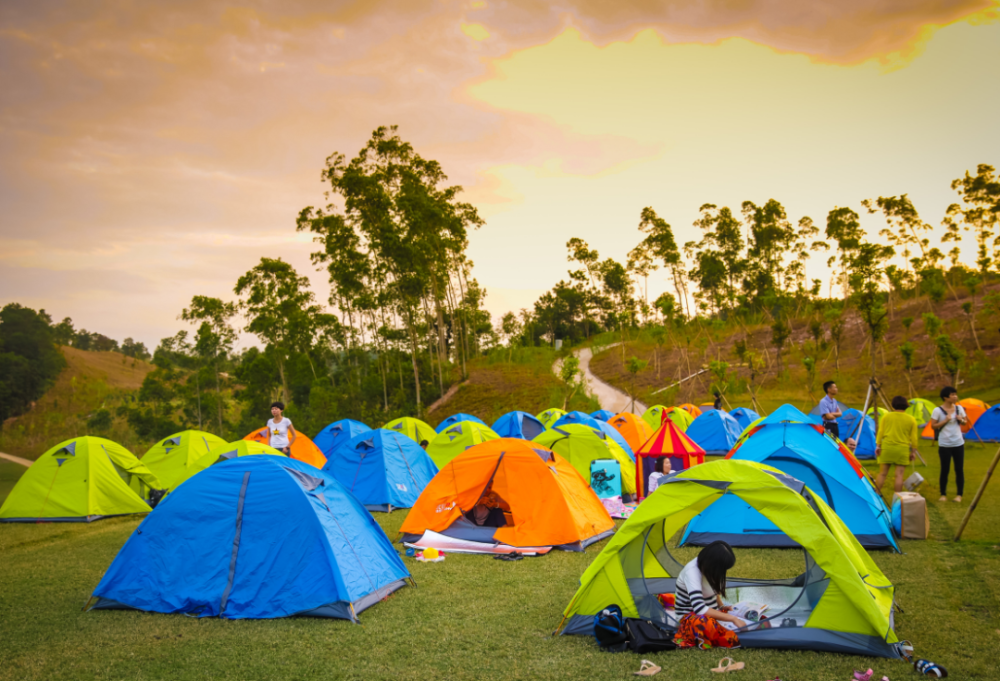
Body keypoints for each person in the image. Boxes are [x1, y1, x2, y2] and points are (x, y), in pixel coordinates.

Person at [673, 541, 745, 649]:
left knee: (741, 614)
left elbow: (714, 592)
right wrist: (733, 619)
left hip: (711, 613)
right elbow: (700, 609)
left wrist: (721, 606)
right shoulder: (692, 572)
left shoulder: (710, 569)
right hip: (689, 618)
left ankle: (725, 630)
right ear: (712, 564)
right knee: (705, 624)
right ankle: (727, 635)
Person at [874, 396, 919, 496]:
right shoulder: (911, 419)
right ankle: (898, 499)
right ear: (906, 405)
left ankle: (876, 495)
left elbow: (880, 432)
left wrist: (878, 446)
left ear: (893, 405)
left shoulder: (886, 416)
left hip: (887, 448)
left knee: (882, 473)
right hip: (902, 449)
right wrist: (913, 452)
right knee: (899, 475)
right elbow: (914, 438)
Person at [931, 387, 966, 503]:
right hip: (945, 444)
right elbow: (933, 426)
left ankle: (959, 495)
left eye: (956, 394)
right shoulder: (937, 410)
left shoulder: (959, 408)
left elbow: (965, 422)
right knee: (945, 469)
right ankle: (943, 494)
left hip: (958, 443)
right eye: (952, 395)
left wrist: (962, 420)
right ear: (946, 397)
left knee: (959, 469)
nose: (955, 396)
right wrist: (945, 420)